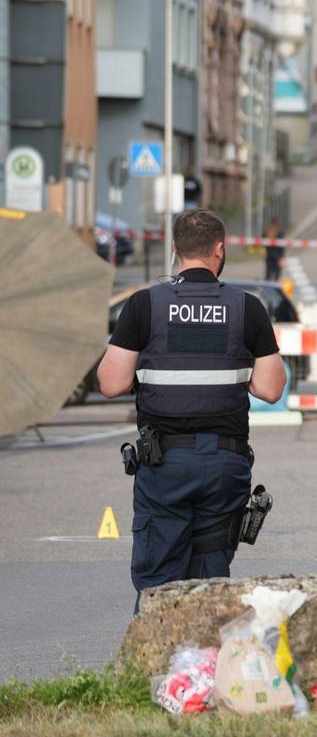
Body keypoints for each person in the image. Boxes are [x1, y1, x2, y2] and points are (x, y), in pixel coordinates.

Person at [96, 209, 286, 608]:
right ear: (220, 250)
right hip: (224, 467)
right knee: (211, 589)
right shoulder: (247, 308)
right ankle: (205, 668)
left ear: (175, 250)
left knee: (159, 588)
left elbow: (111, 383)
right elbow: (270, 389)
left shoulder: (145, 305)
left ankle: (157, 668)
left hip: (165, 466)